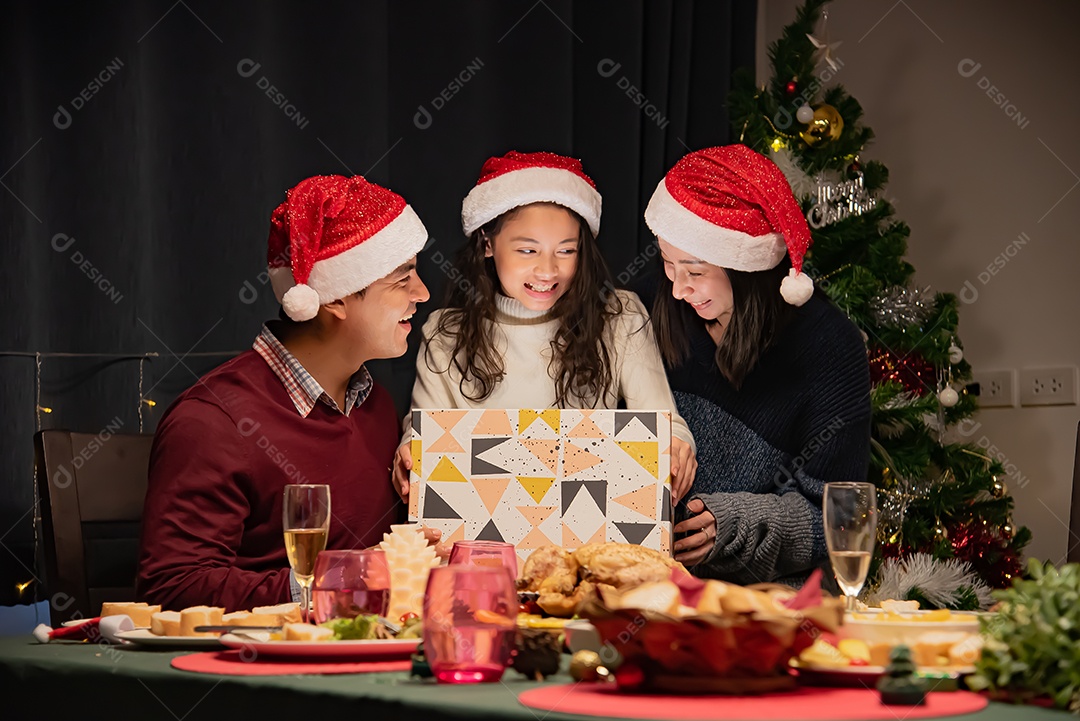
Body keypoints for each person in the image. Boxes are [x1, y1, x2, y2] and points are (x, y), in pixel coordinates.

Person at [137, 174, 433, 611]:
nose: (422, 293)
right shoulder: (213, 421)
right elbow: (173, 589)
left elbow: (380, 564)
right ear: (335, 299)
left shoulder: (376, 405)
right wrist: (346, 579)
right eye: (402, 278)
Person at [393, 150, 697, 503]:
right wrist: (411, 448)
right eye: (528, 251)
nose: (548, 271)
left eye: (566, 251)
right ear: (488, 244)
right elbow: (425, 431)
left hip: (590, 536)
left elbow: (664, 423)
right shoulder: (445, 333)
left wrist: (677, 445)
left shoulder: (620, 315)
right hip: (484, 544)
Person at [636, 144, 871, 587]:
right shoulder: (649, 302)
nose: (678, 289)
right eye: (668, 265)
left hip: (770, 605)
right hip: (652, 589)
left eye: (696, 271)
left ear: (745, 265)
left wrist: (729, 528)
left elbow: (838, 514)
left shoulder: (827, 347)